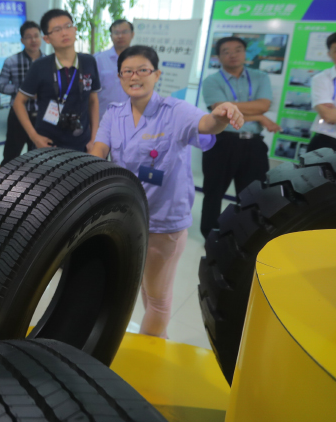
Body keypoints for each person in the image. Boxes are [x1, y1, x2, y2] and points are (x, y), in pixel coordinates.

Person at [90, 45, 243, 339]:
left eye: (142, 70)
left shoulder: (175, 111)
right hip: (130, 215)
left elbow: (207, 124)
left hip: (164, 219)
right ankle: (159, 342)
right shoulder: (114, 114)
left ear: (157, 74)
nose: (134, 76)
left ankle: (147, 351)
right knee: (146, 285)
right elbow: (99, 150)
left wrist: (221, 115)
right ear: (120, 77)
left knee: (158, 297)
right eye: (127, 71)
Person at [199, 36, 278, 237]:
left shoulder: (261, 77)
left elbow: (264, 105)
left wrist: (257, 112)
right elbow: (220, 110)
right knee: (213, 191)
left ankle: (246, 235)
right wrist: (258, 115)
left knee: (254, 194)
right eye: (226, 51)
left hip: (253, 144)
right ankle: (211, 234)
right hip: (222, 141)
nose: (232, 55)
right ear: (218, 57)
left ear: (245, 53)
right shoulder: (212, 81)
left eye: (237, 50)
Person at [13, 9, 100, 153]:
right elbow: (18, 103)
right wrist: (35, 137)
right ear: (47, 38)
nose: (64, 33)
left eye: (68, 26)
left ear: (75, 30)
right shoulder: (40, 66)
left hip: (82, 142)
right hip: (47, 142)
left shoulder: (89, 61)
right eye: (57, 30)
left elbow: (93, 100)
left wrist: (94, 138)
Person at [0, 20, 43, 163]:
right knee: (11, 157)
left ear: (41, 37)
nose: (33, 40)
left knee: (38, 157)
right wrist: (23, 91)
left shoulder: (48, 61)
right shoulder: (11, 61)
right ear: (22, 40)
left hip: (42, 115)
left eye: (36, 36)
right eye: (29, 37)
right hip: (17, 114)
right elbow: (1, 86)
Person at [94, 19, 134, 120]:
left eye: (124, 32)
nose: (120, 36)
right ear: (111, 36)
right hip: (104, 117)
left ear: (132, 34)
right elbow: (92, 93)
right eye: (116, 33)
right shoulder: (99, 59)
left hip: (131, 118)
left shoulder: (139, 60)